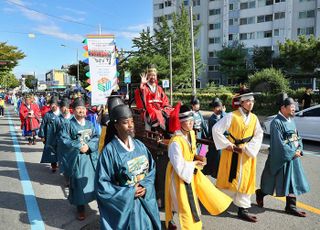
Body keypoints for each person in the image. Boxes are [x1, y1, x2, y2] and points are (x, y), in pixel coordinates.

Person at [165, 104, 232, 230]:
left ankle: (186, 224)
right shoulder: (175, 142)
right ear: (180, 123)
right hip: (179, 174)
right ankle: (183, 225)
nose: (190, 124)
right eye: (187, 122)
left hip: (189, 170)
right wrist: (194, 163)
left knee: (192, 199)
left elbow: (193, 152)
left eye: (191, 121)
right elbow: (179, 165)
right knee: (182, 202)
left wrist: (200, 157)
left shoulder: (190, 133)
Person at [95, 104, 161, 230]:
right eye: (126, 122)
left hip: (145, 203)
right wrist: (129, 193)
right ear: (116, 126)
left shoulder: (140, 146)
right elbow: (102, 186)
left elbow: (151, 169)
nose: (130, 125)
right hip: (127, 207)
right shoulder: (109, 152)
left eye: (131, 121)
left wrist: (145, 186)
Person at [212, 90, 263, 222]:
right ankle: (218, 202)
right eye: (248, 101)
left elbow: (259, 135)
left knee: (245, 179)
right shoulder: (232, 116)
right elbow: (216, 130)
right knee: (230, 177)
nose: (251, 104)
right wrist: (227, 144)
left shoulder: (254, 118)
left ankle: (243, 209)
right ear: (241, 103)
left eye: (252, 101)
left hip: (246, 153)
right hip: (233, 152)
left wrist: (249, 148)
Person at [256, 93, 310, 217]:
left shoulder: (290, 120)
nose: (294, 109)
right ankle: (261, 193)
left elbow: (297, 137)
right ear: (283, 108)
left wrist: (299, 149)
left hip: (293, 157)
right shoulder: (276, 123)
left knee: (292, 181)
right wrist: (292, 153)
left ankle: (291, 206)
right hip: (281, 157)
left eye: (294, 107)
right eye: (291, 107)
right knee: (272, 182)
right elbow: (278, 144)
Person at [59, 97, 99, 220]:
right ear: (73, 110)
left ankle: (95, 202)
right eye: (78, 108)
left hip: (90, 157)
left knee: (93, 181)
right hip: (77, 159)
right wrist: (78, 146)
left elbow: (96, 137)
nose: (81, 111)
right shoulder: (68, 124)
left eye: (83, 108)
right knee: (78, 183)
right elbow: (64, 140)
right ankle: (80, 208)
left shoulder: (90, 123)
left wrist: (89, 146)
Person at [135, 66, 175, 131]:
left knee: (173, 111)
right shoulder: (144, 88)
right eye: (151, 75)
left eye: (154, 75)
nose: (153, 77)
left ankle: (170, 131)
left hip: (160, 109)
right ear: (147, 77)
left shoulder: (159, 88)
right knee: (156, 113)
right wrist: (142, 84)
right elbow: (140, 94)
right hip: (148, 110)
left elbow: (165, 100)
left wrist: (165, 107)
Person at [203, 97, 227, 178]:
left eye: (220, 107)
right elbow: (220, 127)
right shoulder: (212, 118)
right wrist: (223, 113)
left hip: (221, 142)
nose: (218, 109)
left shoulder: (223, 116)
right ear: (213, 109)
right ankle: (215, 173)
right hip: (215, 142)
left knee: (220, 159)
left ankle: (219, 172)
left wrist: (223, 113)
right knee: (215, 158)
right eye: (216, 107)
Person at [39, 96, 61, 173]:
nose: (53, 106)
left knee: (60, 151)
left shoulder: (62, 114)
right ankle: (53, 165)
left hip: (60, 137)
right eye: (51, 104)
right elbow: (43, 125)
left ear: (57, 105)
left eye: (54, 104)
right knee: (52, 151)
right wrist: (42, 136)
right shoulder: (47, 115)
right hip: (50, 136)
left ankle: (60, 164)